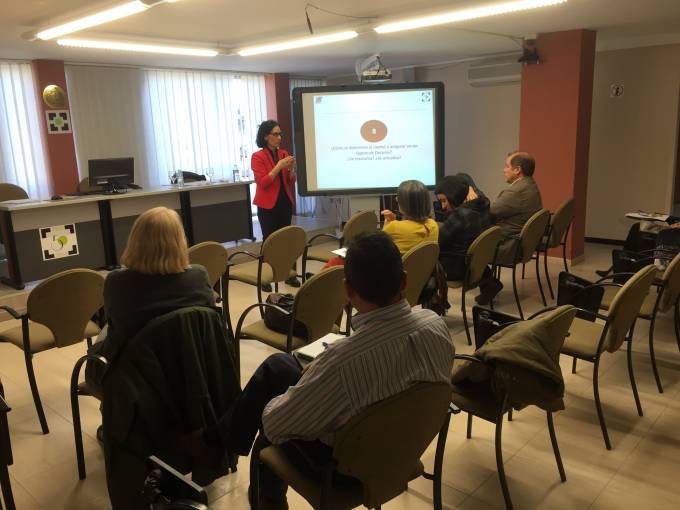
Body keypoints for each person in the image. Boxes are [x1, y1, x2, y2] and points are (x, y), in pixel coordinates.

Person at [200, 231, 454, 509]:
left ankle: (261, 490)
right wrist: (318, 376)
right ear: (404, 280)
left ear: (348, 290)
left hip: (346, 469)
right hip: (402, 449)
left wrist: (305, 385)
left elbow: (275, 424)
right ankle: (218, 445)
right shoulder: (436, 326)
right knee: (279, 366)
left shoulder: (344, 361)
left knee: (271, 401)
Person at [85, 207, 215, 398]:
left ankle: (115, 411)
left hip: (132, 380)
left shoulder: (117, 282)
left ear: (135, 241)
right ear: (180, 241)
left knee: (106, 329)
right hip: (190, 371)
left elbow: (116, 327)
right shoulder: (198, 276)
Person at [476, 151, 543, 304]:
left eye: (506, 166)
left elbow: (489, 213)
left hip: (507, 246)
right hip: (519, 244)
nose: (503, 170)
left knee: (464, 244)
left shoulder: (516, 191)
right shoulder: (530, 185)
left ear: (517, 170)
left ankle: (488, 285)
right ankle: (488, 284)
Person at [251, 119, 300, 287]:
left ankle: (290, 274)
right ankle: (265, 278)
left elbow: (290, 181)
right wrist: (279, 166)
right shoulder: (258, 156)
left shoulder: (284, 153)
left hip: (284, 202)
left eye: (280, 134)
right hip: (267, 205)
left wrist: (292, 169)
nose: (279, 137)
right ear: (266, 136)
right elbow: (263, 182)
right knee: (269, 241)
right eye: (275, 134)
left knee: (287, 239)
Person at [435, 175, 491, 281]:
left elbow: (438, 242)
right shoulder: (483, 205)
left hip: (456, 268)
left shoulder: (460, 215)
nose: (443, 207)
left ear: (454, 196)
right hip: (477, 264)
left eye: (444, 201)